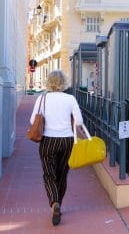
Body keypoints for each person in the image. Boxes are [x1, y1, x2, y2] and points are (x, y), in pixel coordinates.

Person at [29, 70, 84, 226]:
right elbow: (79, 121)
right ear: (63, 82)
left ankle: (54, 203)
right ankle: (58, 201)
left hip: (48, 140)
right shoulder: (70, 98)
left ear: (48, 82)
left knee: (49, 174)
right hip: (67, 141)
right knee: (62, 174)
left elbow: (33, 119)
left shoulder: (42, 98)